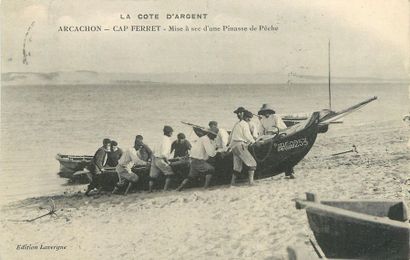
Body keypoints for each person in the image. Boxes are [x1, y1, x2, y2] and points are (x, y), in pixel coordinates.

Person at [228, 108, 258, 186]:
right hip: (240, 145)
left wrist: (229, 147)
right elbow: (247, 135)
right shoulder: (244, 124)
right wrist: (254, 142)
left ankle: (232, 183)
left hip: (234, 147)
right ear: (245, 117)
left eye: (250, 118)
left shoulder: (238, 124)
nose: (249, 119)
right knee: (252, 163)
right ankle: (251, 182)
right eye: (248, 117)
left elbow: (231, 137)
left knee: (237, 167)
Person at [149, 125, 175, 192]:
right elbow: (164, 154)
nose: (172, 134)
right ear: (169, 132)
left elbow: (153, 151)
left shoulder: (159, 138)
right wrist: (167, 162)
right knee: (169, 173)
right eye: (172, 132)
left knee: (152, 177)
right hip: (160, 159)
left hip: (154, 158)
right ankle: (165, 189)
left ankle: (150, 190)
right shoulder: (167, 140)